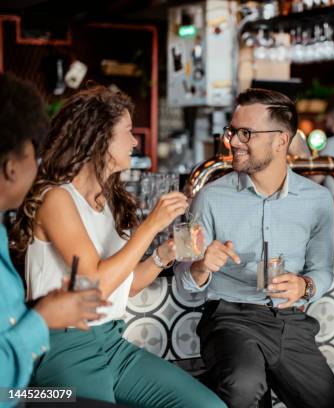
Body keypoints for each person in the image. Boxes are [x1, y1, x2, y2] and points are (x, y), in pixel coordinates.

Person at [11, 85, 225, 408]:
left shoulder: (106, 199)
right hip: (65, 345)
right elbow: (96, 283)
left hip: (112, 342)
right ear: (100, 138)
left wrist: (162, 255)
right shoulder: (56, 198)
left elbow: (125, 287)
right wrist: (151, 224)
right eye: (128, 132)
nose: (135, 141)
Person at [175, 88, 334, 408]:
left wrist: (305, 285)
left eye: (246, 133)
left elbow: (322, 270)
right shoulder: (208, 198)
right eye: (232, 131)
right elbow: (182, 275)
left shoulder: (319, 200)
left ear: (281, 140)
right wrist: (200, 267)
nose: (233, 141)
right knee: (243, 387)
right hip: (229, 318)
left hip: (290, 323)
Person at [0, 73, 107, 400]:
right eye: (34, 151)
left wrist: (44, 307)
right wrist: (44, 318)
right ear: (11, 167)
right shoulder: (57, 198)